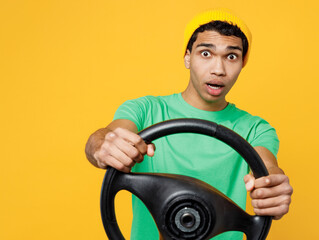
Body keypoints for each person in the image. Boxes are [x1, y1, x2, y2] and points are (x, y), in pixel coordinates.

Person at [85, 9, 293, 240]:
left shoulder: (256, 129)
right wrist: (102, 144)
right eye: (206, 53)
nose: (218, 69)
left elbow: (266, 168)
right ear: (187, 57)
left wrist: (272, 188)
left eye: (231, 56)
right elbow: (108, 136)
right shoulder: (145, 110)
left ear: (243, 63)